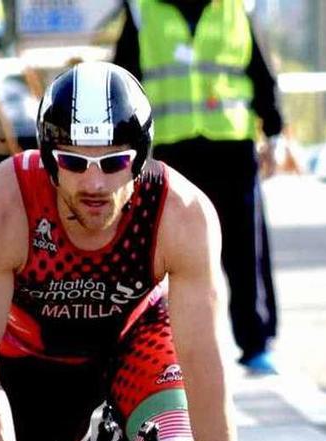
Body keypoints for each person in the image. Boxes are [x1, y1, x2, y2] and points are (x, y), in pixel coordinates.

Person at [0, 61, 237, 441]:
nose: (95, 184)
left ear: (140, 157)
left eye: (114, 162)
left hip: (134, 339)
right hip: (31, 364)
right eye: (74, 163)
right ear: (49, 157)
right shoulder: (1, 207)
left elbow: (204, 363)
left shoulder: (182, 213)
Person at [113, 0, 283, 374]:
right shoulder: (142, 9)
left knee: (244, 248)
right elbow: (124, 80)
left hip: (231, 145)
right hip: (171, 150)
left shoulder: (239, 6)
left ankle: (256, 343)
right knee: (164, 251)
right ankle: (159, 344)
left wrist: (274, 130)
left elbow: (260, 69)